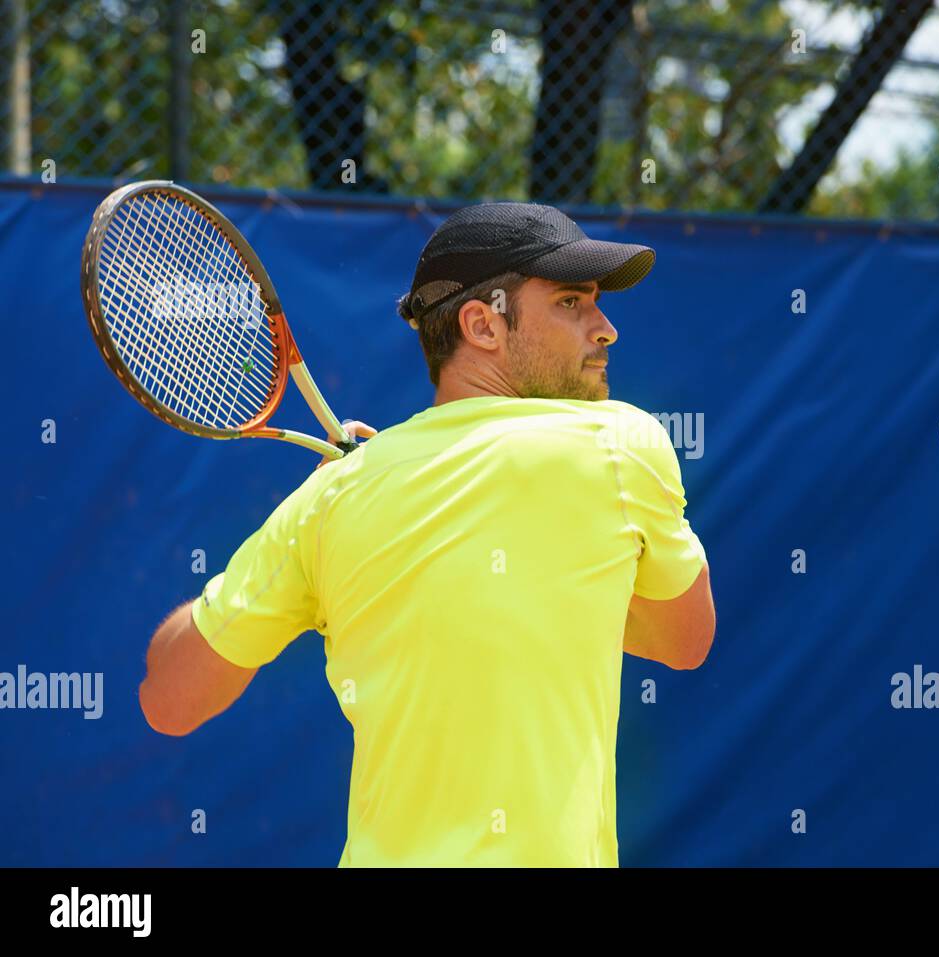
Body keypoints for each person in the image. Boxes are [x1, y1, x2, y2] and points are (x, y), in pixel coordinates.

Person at [137, 201, 716, 867]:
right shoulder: (622, 445)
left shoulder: (332, 502)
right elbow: (685, 637)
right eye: (569, 302)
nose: (605, 327)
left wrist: (345, 513)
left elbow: (167, 699)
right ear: (481, 324)